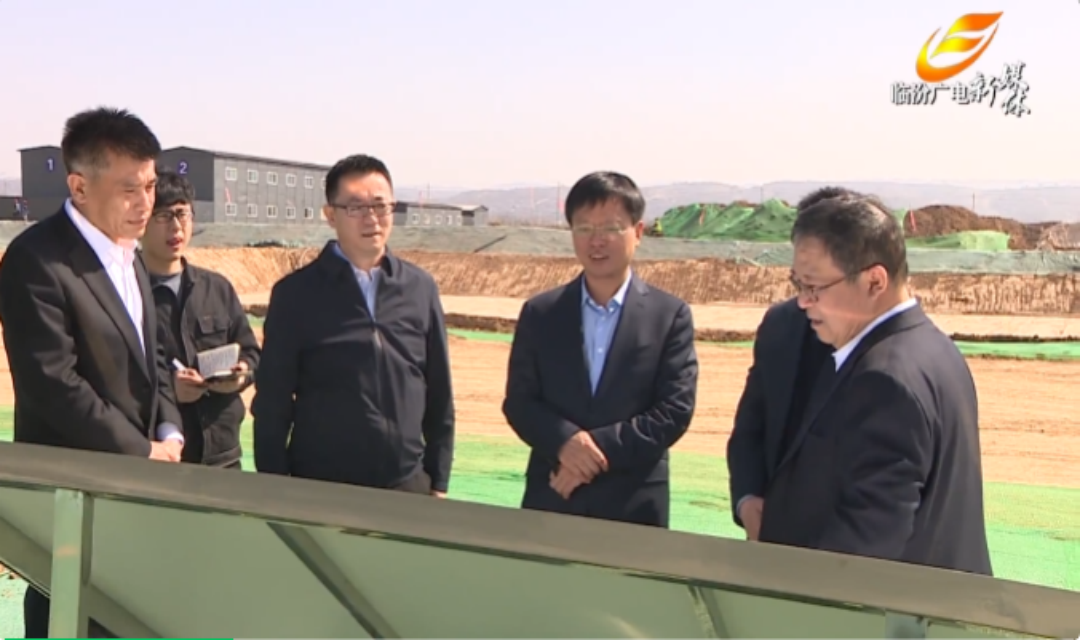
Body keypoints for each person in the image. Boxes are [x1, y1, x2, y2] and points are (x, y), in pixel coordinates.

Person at [0, 107, 184, 637]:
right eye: (129, 189)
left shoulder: (130, 256)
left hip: (136, 497)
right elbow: (54, 384)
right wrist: (140, 450)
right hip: (74, 503)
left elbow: (153, 359)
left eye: (150, 186)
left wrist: (169, 428)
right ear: (79, 187)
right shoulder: (37, 261)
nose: (145, 203)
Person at [758, 194, 992, 574]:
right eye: (796, 284)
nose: (802, 302)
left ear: (874, 281)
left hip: (895, 608)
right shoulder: (935, 349)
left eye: (813, 287)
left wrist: (793, 588)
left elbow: (865, 544)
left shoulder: (884, 382)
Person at [502, 171, 698, 528]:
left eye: (611, 228)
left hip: (634, 505)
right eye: (584, 228)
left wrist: (590, 454)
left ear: (638, 232)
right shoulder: (541, 313)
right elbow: (520, 401)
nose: (597, 241)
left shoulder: (669, 316)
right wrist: (565, 443)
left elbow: (674, 411)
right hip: (554, 496)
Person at [252, 154, 454, 496]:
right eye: (356, 207)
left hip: (406, 483)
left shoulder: (419, 288)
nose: (371, 218)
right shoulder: (296, 294)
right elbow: (273, 400)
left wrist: (439, 477)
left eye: (380, 205)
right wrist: (275, 483)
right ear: (331, 215)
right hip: (322, 486)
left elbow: (439, 391)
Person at [727, 186, 874, 540]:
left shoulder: (889, 343)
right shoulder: (780, 325)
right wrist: (747, 500)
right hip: (776, 533)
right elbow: (750, 426)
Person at [141, 169, 261, 468]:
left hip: (222, 453)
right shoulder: (127, 294)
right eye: (163, 216)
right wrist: (170, 390)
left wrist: (240, 375)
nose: (176, 227)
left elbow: (251, 353)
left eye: (182, 214)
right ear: (141, 220)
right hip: (162, 456)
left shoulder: (216, 288)